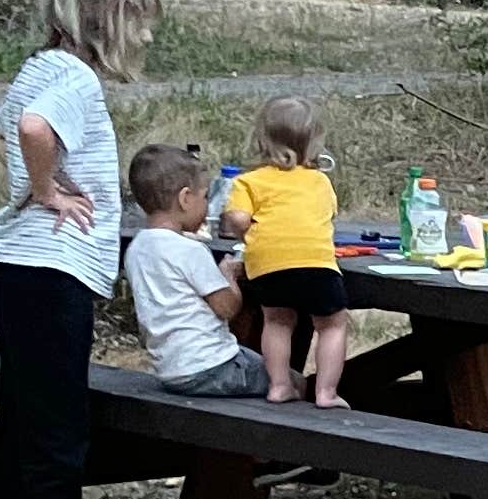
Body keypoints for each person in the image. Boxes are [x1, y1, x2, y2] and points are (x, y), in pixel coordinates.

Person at [0, 0, 160, 499]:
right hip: (55, 263)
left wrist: (33, 183)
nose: (146, 35)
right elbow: (29, 128)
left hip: (19, 260)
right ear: (107, 20)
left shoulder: (38, 67)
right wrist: (49, 189)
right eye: (139, 20)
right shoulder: (75, 80)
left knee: (27, 397)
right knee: (58, 409)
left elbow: (0, 128)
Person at [226, 96, 349, 406]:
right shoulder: (320, 181)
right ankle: (326, 391)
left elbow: (237, 217)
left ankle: (279, 385)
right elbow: (328, 215)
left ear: (261, 140)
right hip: (316, 263)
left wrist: (246, 228)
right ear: (313, 144)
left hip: (268, 266)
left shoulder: (248, 181)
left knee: (277, 322)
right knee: (332, 323)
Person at [122, 145, 271, 397]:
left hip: (171, 370)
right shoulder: (189, 250)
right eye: (204, 197)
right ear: (185, 198)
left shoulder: (137, 248)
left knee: (259, 362)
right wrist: (228, 275)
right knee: (285, 379)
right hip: (212, 366)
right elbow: (227, 308)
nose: (207, 205)